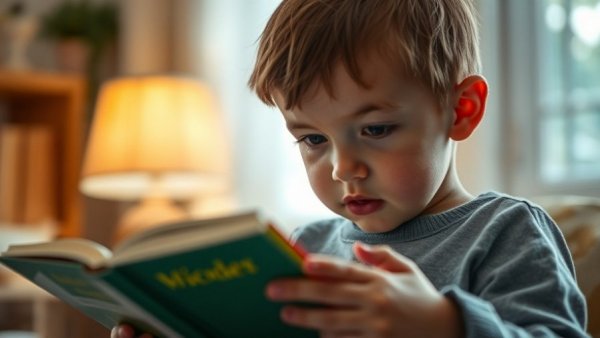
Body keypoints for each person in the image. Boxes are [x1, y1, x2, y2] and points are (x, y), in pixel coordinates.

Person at [113, 0, 589, 337]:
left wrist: (446, 327)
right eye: (313, 139)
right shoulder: (305, 250)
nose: (343, 169)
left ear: (461, 109)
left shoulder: (505, 232)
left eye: (376, 129)